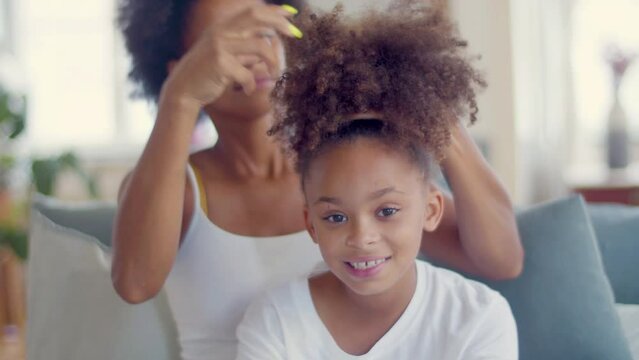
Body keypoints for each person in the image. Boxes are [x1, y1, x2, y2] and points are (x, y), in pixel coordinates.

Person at [112, 0, 523, 359]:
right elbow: (133, 284)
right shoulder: (175, 187)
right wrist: (179, 97)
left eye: (263, 31)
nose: (255, 53)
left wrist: (427, 103)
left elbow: (502, 258)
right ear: (178, 67)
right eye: (226, 41)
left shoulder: (347, 175)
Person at [236, 5, 518, 359]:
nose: (361, 237)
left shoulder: (477, 319)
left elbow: (505, 257)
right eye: (335, 217)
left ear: (431, 209)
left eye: (386, 210)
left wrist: (425, 105)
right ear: (310, 224)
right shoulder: (275, 320)